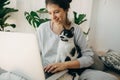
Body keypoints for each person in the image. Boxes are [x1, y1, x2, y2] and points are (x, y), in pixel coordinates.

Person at [37, 0, 118, 80]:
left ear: (66, 10)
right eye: (50, 13)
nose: (53, 17)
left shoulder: (76, 29)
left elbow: (89, 58)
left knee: (110, 78)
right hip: (50, 71)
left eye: (56, 12)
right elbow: (36, 54)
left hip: (74, 69)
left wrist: (65, 65)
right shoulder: (42, 29)